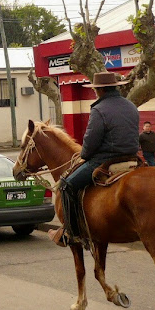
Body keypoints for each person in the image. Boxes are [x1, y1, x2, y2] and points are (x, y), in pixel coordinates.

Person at [55, 71, 139, 249]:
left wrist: (84, 155)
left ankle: (71, 232)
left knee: (65, 184)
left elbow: (91, 141)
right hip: (132, 158)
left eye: (95, 90)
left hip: (106, 159)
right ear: (115, 87)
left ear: (99, 91)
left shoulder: (99, 109)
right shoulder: (131, 105)